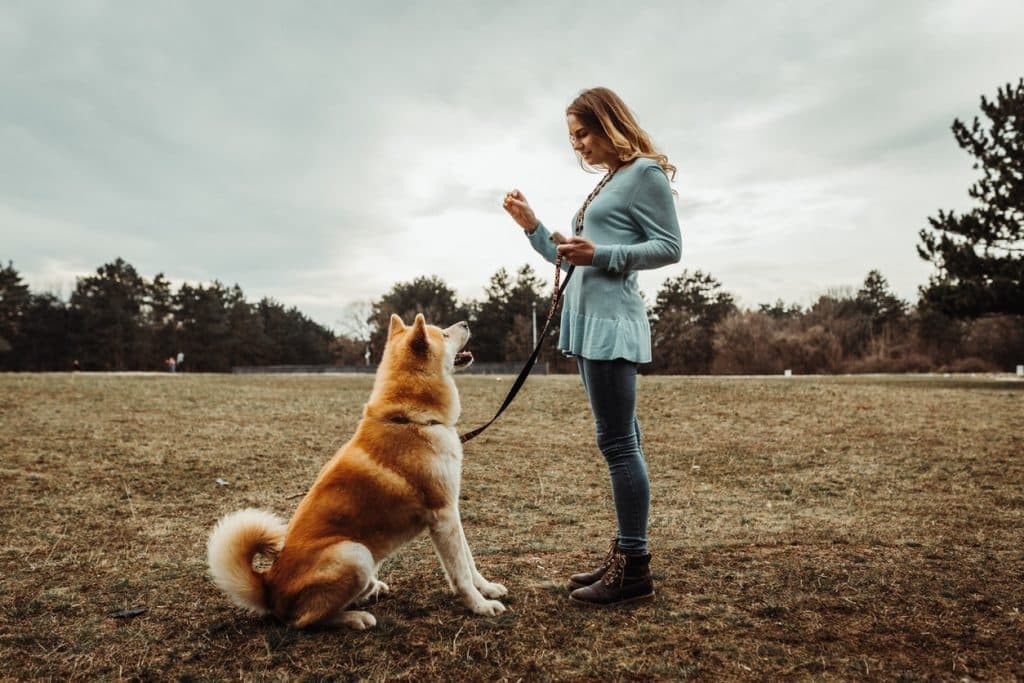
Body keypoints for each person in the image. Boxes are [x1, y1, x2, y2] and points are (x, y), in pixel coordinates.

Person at [502, 87, 681, 606]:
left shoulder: (644, 174)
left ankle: (634, 569)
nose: (576, 144)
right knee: (623, 441)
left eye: (582, 133)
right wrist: (533, 227)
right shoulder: (612, 181)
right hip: (589, 324)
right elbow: (573, 257)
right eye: (572, 137)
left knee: (619, 444)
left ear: (608, 125)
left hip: (611, 327)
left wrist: (602, 253)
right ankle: (627, 556)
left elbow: (669, 247)